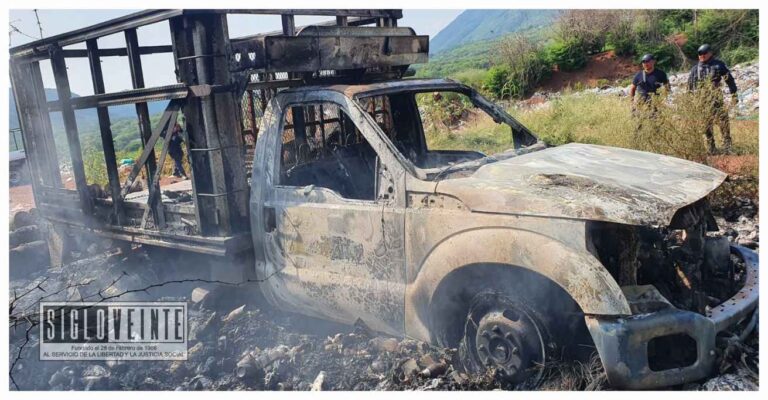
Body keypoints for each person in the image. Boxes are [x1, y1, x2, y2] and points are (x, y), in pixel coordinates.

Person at [687, 43, 738, 154]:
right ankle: (711, 148)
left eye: (704, 53)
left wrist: (734, 94)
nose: (702, 55)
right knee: (706, 124)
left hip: (716, 98)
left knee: (723, 122)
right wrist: (689, 101)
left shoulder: (718, 65)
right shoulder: (695, 69)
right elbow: (689, 86)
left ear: (710, 53)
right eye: (700, 54)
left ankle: (727, 146)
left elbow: (729, 80)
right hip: (702, 100)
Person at [629, 53, 670, 138]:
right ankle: (637, 142)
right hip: (641, 105)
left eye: (647, 61)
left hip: (655, 104)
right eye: (643, 62)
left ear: (653, 62)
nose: (645, 63)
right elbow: (632, 88)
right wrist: (632, 103)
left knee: (657, 125)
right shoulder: (638, 75)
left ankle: (656, 140)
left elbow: (667, 87)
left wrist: (665, 99)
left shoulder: (660, 74)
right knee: (638, 126)